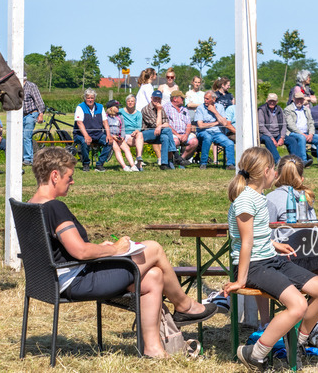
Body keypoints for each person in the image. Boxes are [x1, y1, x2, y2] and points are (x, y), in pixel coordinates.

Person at [27, 147, 217, 358]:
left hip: (53, 280)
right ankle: (184, 305)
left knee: (153, 277)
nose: (72, 182)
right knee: (153, 247)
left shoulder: (30, 206)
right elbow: (80, 251)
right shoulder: (54, 207)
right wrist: (114, 249)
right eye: (69, 176)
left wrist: (104, 250)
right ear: (55, 175)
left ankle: (153, 349)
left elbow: (62, 250)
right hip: (76, 281)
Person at [223, 147, 318, 370]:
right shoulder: (245, 201)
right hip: (253, 266)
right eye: (273, 167)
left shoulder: (258, 197)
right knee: (298, 305)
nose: (275, 172)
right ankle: (255, 354)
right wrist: (240, 280)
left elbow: (257, 234)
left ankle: (297, 344)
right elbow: (246, 243)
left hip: (270, 259)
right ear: (266, 171)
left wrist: (275, 244)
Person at [264, 156, 318, 271]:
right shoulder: (306, 198)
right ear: (301, 178)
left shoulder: (270, 199)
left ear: (276, 174)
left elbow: (267, 236)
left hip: (286, 261)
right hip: (313, 256)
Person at [283, 89, 318, 167]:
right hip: (293, 133)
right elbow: (291, 125)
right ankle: (303, 161)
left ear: (303, 100)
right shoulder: (288, 109)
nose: (299, 101)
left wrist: (311, 134)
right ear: (293, 99)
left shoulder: (306, 109)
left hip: (306, 133)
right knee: (301, 138)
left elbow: (311, 122)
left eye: (301, 99)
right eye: (297, 99)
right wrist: (303, 134)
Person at [195, 91, 235, 168]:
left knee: (230, 143)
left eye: (207, 99)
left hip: (217, 133)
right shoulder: (200, 108)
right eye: (204, 98)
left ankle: (230, 164)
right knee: (207, 137)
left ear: (214, 99)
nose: (205, 101)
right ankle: (203, 163)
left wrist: (215, 111)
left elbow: (224, 123)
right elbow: (200, 125)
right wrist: (216, 123)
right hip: (204, 132)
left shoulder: (220, 107)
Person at [73, 89, 111, 172]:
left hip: (97, 133)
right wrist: (86, 136)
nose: (90, 100)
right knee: (84, 141)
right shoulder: (80, 107)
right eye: (88, 98)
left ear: (94, 98)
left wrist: (108, 135)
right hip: (81, 134)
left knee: (109, 142)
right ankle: (86, 163)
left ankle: (99, 164)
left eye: (92, 98)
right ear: (85, 98)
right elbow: (79, 123)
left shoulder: (100, 107)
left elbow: (105, 121)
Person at [141, 90, 179, 170]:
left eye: (159, 99)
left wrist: (160, 126)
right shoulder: (146, 109)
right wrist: (159, 111)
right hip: (145, 133)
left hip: (159, 133)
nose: (157, 101)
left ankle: (164, 164)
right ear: (151, 98)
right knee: (168, 130)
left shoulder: (161, 108)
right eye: (155, 98)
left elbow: (166, 123)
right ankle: (176, 154)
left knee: (165, 137)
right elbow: (156, 126)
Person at [165, 90, 198, 163]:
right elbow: (166, 124)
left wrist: (186, 135)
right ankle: (169, 161)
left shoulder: (185, 109)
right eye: (182, 98)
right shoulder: (166, 107)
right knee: (175, 142)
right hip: (173, 134)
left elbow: (189, 124)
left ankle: (181, 159)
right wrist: (178, 135)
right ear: (175, 99)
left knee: (194, 142)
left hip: (184, 133)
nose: (183, 100)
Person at [104, 100, 137, 171]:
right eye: (116, 107)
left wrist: (122, 137)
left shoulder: (120, 116)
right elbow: (103, 129)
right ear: (111, 108)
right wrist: (112, 136)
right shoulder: (105, 117)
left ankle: (133, 165)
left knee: (127, 148)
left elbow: (122, 128)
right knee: (117, 149)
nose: (118, 108)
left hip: (119, 137)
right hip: (110, 137)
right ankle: (124, 166)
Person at [21, 74, 46, 166]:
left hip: (31, 114)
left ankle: (28, 159)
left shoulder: (31, 86)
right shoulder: (16, 86)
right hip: (20, 115)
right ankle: (23, 156)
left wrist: (41, 114)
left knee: (26, 136)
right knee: (20, 136)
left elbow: (39, 101)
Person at [256, 94, 286, 164]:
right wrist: (272, 138)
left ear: (277, 101)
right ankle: (278, 161)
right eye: (270, 101)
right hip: (264, 134)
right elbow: (261, 126)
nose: (272, 103)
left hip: (277, 134)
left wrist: (282, 137)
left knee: (291, 140)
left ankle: (299, 161)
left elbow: (284, 124)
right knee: (268, 140)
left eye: (273, 101)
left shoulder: (280, 109)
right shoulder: (261, 110)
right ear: (267, 100)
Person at [119, 94, 146, 170]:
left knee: (140, 134)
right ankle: (139, 163)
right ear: (126, 102)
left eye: (132, 101)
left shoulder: (138, 114)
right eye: (128, 101)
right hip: (123, 135)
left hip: (133, 136)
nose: (130, 103)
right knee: (140, 139)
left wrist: (136, 131)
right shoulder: (120, 111)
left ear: (135, 103)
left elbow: (139, 127)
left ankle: (138, 157)